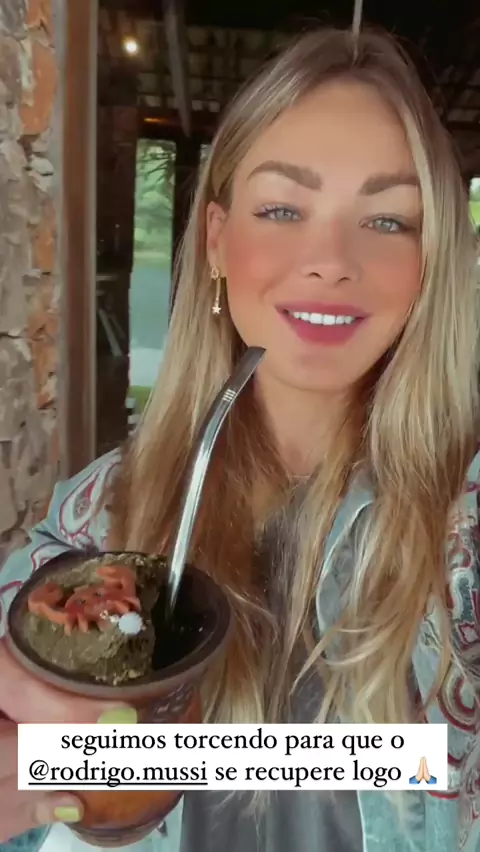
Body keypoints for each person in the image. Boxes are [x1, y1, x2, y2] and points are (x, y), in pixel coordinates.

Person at [1, 24, 479, 852]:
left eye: (388, 221)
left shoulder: (466, 524)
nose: (330, 260)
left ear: (431, 262)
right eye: (283, 209)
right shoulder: (92, 524)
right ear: (217, 240)